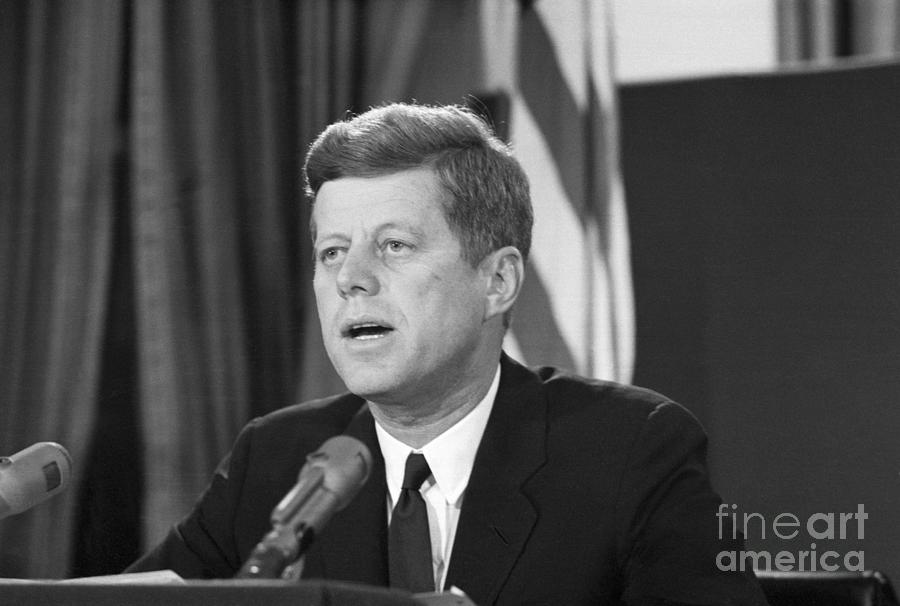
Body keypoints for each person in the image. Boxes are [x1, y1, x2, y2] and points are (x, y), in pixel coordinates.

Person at [127, 103, 768, 605]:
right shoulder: (275, 459)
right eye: (331, 251)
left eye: (395, 246)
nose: (352, 278)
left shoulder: (629, 452)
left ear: (497, 281)